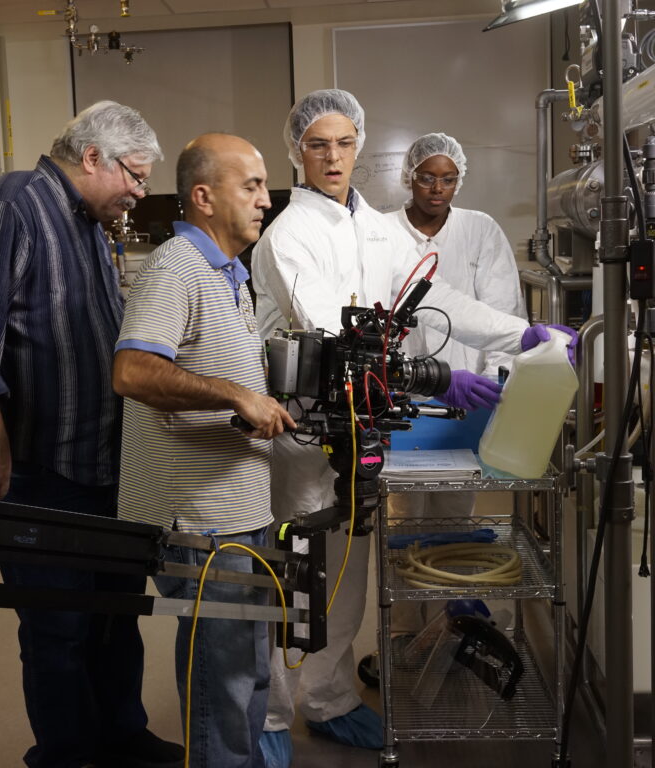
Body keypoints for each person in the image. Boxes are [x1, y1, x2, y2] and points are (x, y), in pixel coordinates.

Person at [250, 89, 575, 768]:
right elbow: (333, 334)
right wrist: (434, 379)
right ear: (296, 151)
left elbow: (436, 296)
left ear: (361, 147)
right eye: (317, 144)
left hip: (357, 428)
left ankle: (330, 698)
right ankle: (272, 713)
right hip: (304, 427)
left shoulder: (373, 229)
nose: (332, 156)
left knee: (346, 573)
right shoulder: (290, 234)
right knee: (297, 575)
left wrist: (519, 333)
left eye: (344, 143)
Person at [0, 101, 184, 768]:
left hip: (104, 465)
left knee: (116, 615)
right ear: (92, 157)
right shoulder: (12, 205)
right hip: (42, 469)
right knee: (57, 627)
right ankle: (67, 755)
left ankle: (121, 736)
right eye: (134, 175)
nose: (140, 191)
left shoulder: (89, 224)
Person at [113, 133, 296, 768]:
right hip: (199, 523)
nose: (265, 200)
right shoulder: (177, 268)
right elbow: (132, 372)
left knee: (248, 672)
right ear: (203, 196)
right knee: (225, 684)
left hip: (237, 516)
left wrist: (254, 402)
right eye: (251, 186)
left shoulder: (228, 274)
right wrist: (235, 395)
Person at [384, 132, 529, 520]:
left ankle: (449, 558)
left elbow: (502, 307)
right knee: (402, 508)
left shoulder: (479, 229)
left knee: (456, 503)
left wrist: (495, 386)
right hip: (403, 393)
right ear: (409, 177)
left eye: (448, 179)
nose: (438, 189)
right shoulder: (383, 232)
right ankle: (409, 557)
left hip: (465, 392)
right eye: (427, 178)